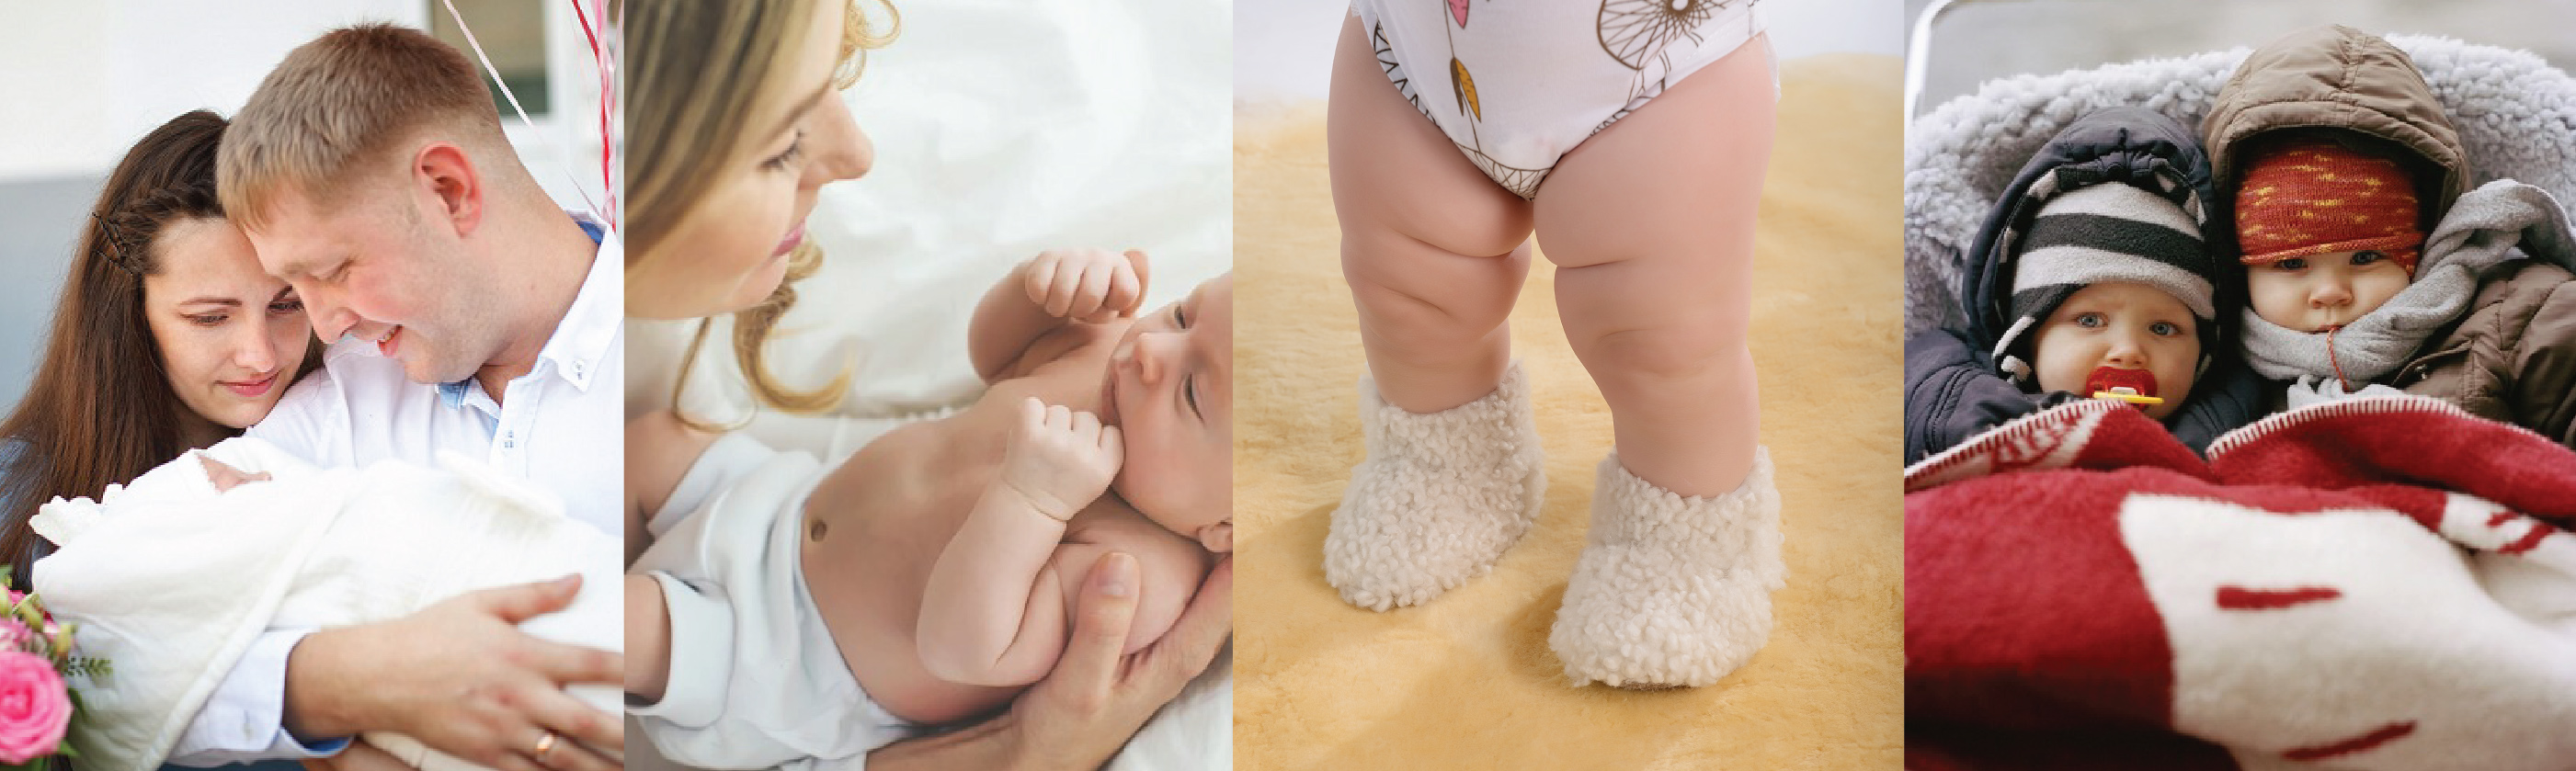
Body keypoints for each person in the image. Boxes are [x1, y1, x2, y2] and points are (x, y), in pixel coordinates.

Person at [621, 1, 1231, 766]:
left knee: (626, 626)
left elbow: (962, 646)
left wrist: (1033, 501)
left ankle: (501, 605)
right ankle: (545, 519)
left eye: (1193, 393)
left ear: (1224, 527)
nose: (1153, 353)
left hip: (790, 657)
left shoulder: (1137, 569)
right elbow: (995, 360)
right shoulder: (1114, 359)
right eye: (1183, 314)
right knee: (645, 443)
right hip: (779, 501)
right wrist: (1041, 291)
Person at [191, 23, 625, 771]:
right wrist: (353, 685)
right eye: (295, 287)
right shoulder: (343, 406)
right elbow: (115, 643)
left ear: (448, 191)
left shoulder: (691, 368)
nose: (323, 324)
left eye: (332, 269)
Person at [1320, 0, 1781, 688]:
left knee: (1663, 338)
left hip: (1663, 71)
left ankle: (1686, 543)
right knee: (1405, 285)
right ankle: (1445, 459)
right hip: (1416, 47)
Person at [0, 109, 319, 604]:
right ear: (127, 313)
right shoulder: (14, 494)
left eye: (287, 305)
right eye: (211, 318)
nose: (260, 355)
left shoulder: (356, 439)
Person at [1904, 108, 2265, 464]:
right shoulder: (1945, 395)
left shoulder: (2237, 419)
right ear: (2024, 336)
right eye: (2090, 320)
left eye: (2163, 328)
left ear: (2203, 354)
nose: (2127, 351)